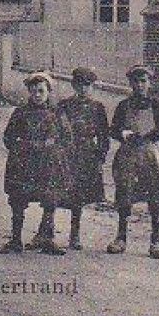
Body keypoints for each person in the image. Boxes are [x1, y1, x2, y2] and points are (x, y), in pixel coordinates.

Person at [106, 65, 159, 259]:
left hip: (149, 153)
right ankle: (121, 237)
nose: (139, 85)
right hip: (128, 154)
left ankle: (156, 239)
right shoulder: (123, 105)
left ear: (149, 83)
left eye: (143, 81)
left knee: (154, 194)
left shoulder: (156, 104)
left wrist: (151, 134)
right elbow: (113, 129)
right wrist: (123, 134)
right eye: (136, 81)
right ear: (130, 83)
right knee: (124, 193)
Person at [1, 72, 70, 255]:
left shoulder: (57, 114)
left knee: (50, 199)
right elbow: (8, 138)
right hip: (24, 164)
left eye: (41, 91)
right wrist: (25, 145)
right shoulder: (20, 113)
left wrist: (54, 145)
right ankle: (16, 240)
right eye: (33, 91)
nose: (37, 95)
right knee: (18, 199)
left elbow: (67, 138)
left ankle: (46, 239)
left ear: (48, 92)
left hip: (48, 164)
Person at [56, 66, 110, 250]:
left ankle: (75, 234)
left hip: (87, 153)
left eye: (87, 85)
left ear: (92, 86)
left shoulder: (97, 107)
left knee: (79, 195)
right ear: (73, 85)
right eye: (79, 85)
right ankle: (46, 231)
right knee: (58, 191)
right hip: (67, 151)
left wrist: (101, 156)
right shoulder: (64, 105)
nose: (83, 89)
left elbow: (103, 134)